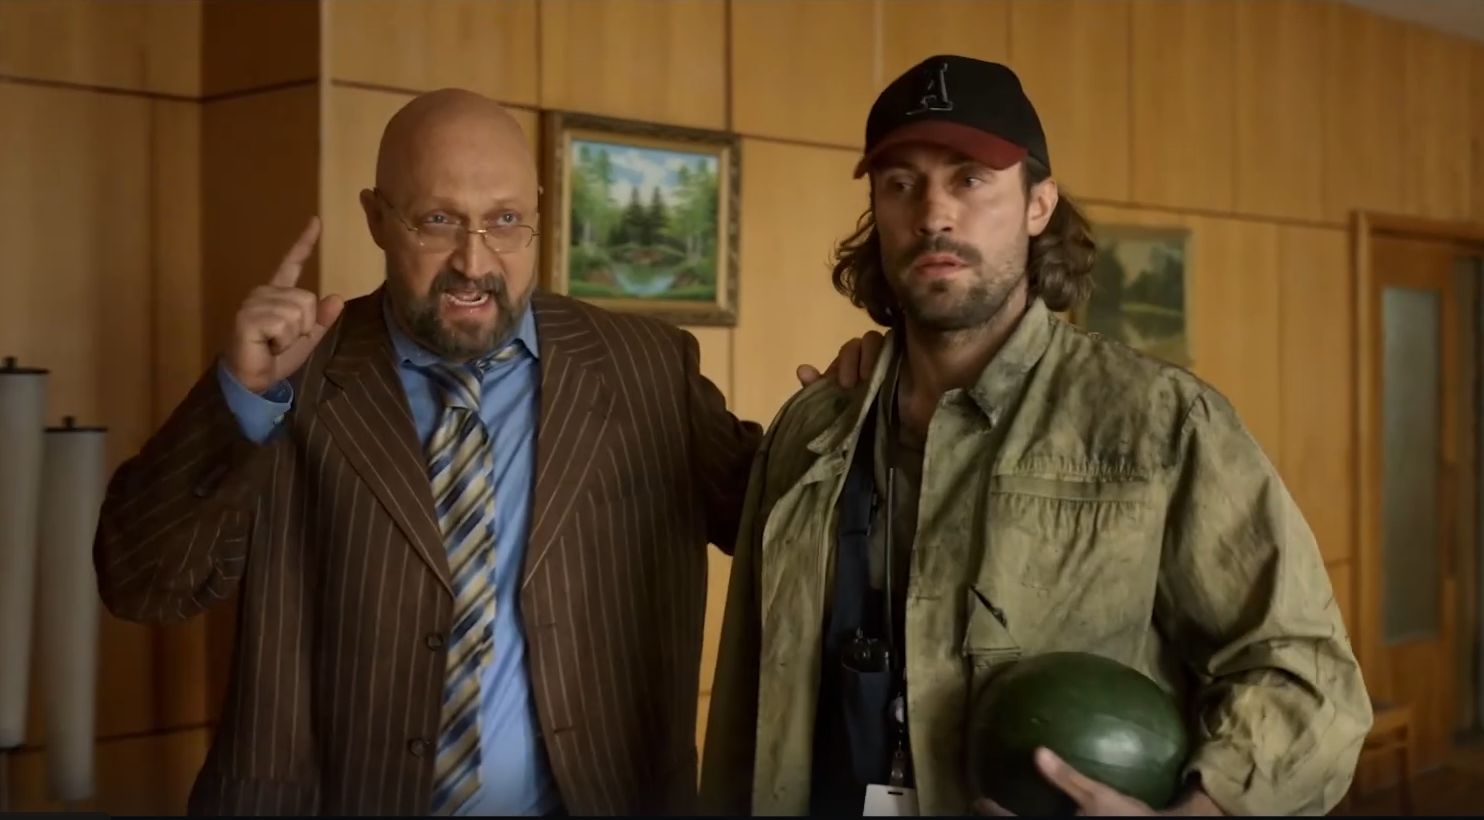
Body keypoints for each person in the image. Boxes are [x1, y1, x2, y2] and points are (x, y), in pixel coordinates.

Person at [93, 88, 878, 817]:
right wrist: (240, 398)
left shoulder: (645, 369)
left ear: (537, 211)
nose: (474, 262)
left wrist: (875, 407)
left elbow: (792, 528)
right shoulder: (297, 370)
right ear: (376, 218)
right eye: (437, 220)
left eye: (504, 221)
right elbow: (143, 584)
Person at [700, 55, 1372, 817]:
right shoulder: (816, 425)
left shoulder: (1158, 423)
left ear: (1038, 205)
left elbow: (1304, 674)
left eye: (970, 179)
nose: (933, 214)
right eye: (900, 184)